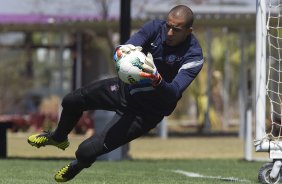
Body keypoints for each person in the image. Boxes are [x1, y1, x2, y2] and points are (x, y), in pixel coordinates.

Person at [27, 5, 204, 182]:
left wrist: (157, 79)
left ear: (189, 31)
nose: (170, 32)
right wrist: (121, 52)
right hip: (123, 90)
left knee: (85, 151)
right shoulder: (155, 27)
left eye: (177, 29)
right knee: (72, 101)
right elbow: (129, 45)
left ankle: (77, 165)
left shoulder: (194, 57)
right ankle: (58, 138)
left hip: (145, 114)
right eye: (168, 26)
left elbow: (172, 93)